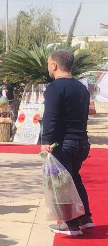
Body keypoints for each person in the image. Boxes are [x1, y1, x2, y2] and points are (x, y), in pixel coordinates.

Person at [43, 50, 93, 236]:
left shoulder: (55, 88)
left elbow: (50, 116)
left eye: (48, 64)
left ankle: (70, 224)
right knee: (74, 178)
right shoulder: (81, 88)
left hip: (64, 143)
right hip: (82, 142)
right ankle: (85, 218)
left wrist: (46, 140)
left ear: (54, 65)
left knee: (62, 183)